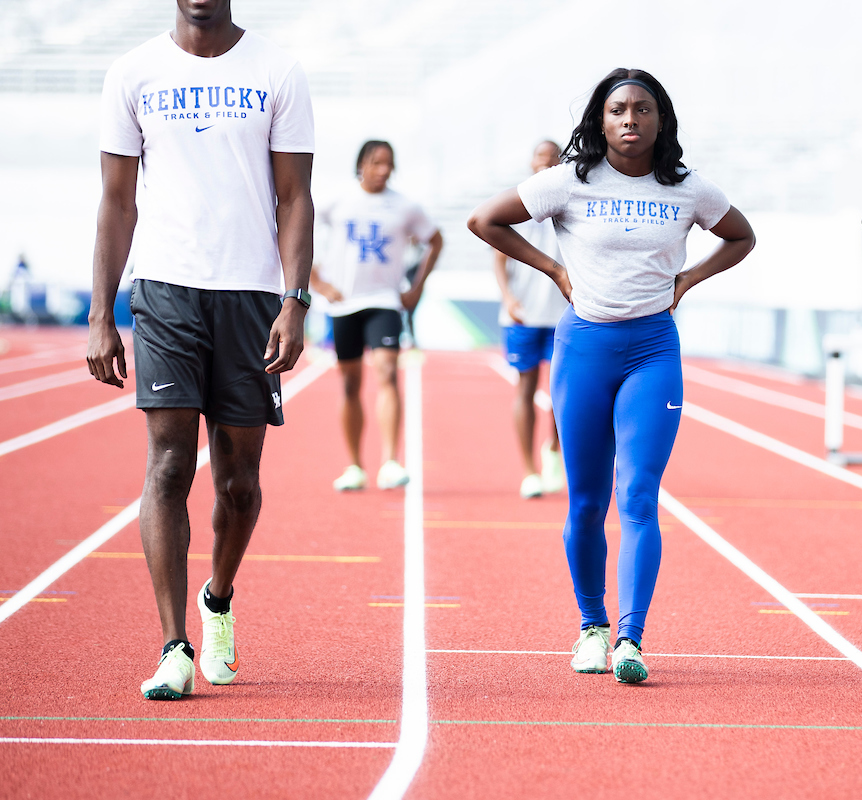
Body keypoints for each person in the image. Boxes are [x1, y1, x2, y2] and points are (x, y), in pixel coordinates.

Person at [86, 0, 316, 700]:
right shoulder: (133, 73)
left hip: (251, 297)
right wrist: (99, 315)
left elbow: (294, 197)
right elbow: (116, 204)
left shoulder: (278, 70)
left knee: (240, 483)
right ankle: (174, 644)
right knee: (170, 463)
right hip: (166, 291)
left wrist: (294, 298)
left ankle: (218, 598)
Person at [469, 68, 754, 683]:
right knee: (586, 501)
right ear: (601, 119)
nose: (631, 119)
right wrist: (551, 268)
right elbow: (484, 221)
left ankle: (631, 638)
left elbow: (741, 236)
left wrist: (688, 280)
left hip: (653, 349)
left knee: (639, 495)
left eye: (643, 109)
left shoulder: (687, 189)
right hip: (584, 348)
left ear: (661, 119)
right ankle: (591, 626)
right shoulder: (568, 182)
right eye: (619, 108)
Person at [310, 140, 442, 491]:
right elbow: (298, 222)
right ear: (361, 165)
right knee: (350, 384)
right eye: (376, 162)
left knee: (387, 372)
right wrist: (316, 281)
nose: (383, 169)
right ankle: (354, 465)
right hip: (343, 304)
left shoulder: (404, 206)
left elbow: (436, 240)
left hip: (384, 301)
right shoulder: (338, 201)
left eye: (389, 163)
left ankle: (390, 461)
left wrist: (416, 288)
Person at [494, 140, 569, 499]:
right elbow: (498, 258)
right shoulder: (517, 202)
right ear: (530, 163)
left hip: (564, 315)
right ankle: (528, 470)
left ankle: (552, 450)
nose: (545, 164)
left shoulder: (570, 201)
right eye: (540, 158)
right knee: (525, 388)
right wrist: (508, 298)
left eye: (552, 159)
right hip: (523, 315)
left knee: (561, 392)